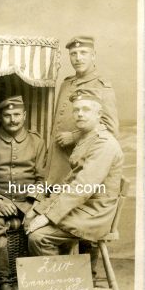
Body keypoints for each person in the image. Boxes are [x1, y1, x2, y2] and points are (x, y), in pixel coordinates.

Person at [25, 89, 123, 270]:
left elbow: (82, 187)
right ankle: (68, 282)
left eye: (86, 109)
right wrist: (39, 209)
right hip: (82, 206)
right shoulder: (88, 139)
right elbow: (68, 183)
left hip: (95, 212)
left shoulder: (103, 144)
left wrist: (47, 216)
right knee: (33, 222)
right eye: (76, 110)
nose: (80, 114)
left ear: (99, 114)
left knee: (39, 237)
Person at [0, 95, 46, 290]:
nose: (12, 119)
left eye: (17, 114)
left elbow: (42, 178)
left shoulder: (37, 141)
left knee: (40, 228)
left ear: (25, 116)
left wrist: (34, 205)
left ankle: (39, 285)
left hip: (27, 201)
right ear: (0, 117)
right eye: (7, 115)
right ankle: (5, 285)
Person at [46, 36, 119, 186]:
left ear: (93, 56)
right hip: (55, 163)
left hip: (78, 165)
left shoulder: (102, 86)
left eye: (83, 52)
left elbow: (111, 129)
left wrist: (74, 137)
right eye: (73, 54)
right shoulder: (66, 84)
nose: (78, 58)